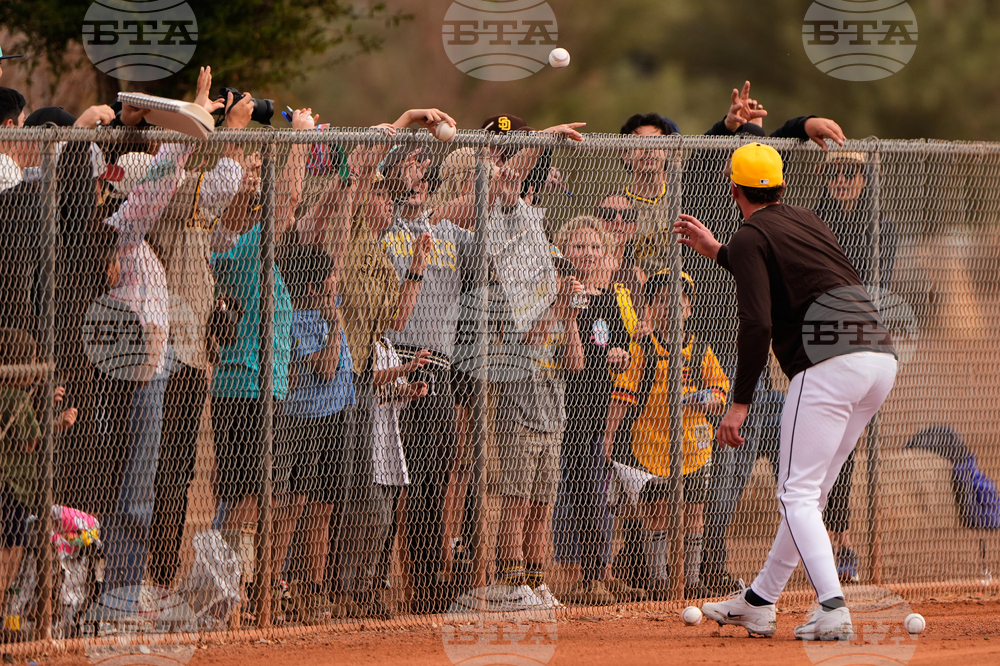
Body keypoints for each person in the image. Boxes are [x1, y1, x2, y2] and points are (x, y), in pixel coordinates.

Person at [676, 143, 897, 640]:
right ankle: (759, 601)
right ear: (781, 186)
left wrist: (739, 403)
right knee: (811, 495)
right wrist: (719, 252)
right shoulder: (807, 220)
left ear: (733, 190)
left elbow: (755, 324)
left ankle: (833, 607)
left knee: (796, 494)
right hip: (878, 357)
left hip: (826, 366)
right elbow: (785, 266)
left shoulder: (752, 234)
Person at [607, 270, 730, 600]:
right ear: (649, 308)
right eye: (660, 301)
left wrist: (708, 398)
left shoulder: (700, 348)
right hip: (652, 443)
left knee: (693, 512)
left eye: (677, 302)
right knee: (657, 511)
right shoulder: (643, 346)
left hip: (694, 445)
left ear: (688, 309)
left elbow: (720, 389)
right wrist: (608, 435)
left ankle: (690, 578)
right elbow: (624, 392)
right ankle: (659, 579)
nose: (669, 308)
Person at [813, 150, 897, 584]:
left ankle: (840, 535)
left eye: (851, 172)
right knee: (824, 439)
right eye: (834, 172)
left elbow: (868, 278)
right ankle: (828, 536)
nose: (842, 179)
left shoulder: (879, 226)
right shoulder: (817, 219)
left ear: (865, 179)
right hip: (823, 335)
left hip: (862, 338)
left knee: (847, 442)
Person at [553, 216, 631, 606]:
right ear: (565, 253)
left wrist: (620, 355)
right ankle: (581, 578)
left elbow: (618, 349)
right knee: (576, 493)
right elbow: (575, 361)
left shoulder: (609, 301)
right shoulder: (565, 295)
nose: (587, 254)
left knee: (595, 494)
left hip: (597, 411)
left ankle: (600, 572)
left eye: (594, 247)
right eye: (578, 247)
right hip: (566, 408)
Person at [0, 329, 77, 601]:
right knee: (11, 550)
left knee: (13, 546)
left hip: (9, 488)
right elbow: (31, 440)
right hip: (13, 487)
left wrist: (44, 406)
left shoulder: (7, 394)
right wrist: (58, 421)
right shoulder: (17, 398)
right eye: (31, 359)